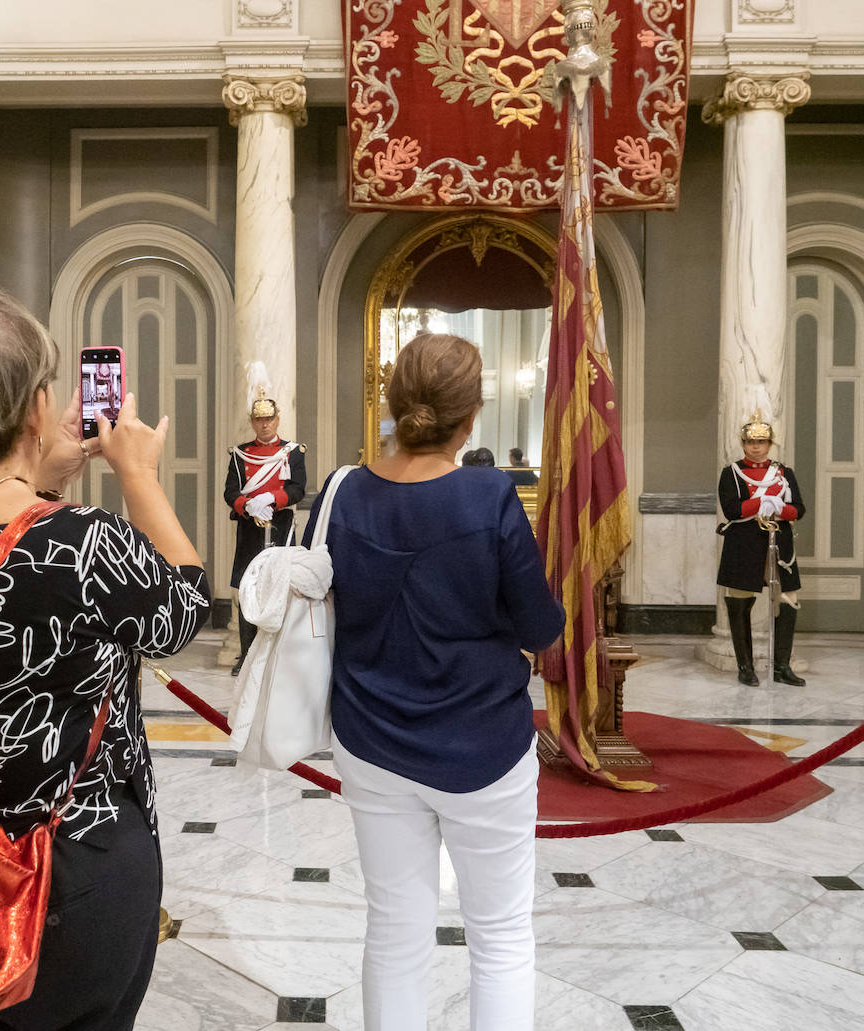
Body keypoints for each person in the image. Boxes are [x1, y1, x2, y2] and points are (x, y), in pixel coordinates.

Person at [0, 289, 210, 1031]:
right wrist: (136, 473)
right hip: (65, 867)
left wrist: (38, 482)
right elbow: (183, 609)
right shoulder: (81, 541)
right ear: (33, 408)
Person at [304, 333, 563, 1031]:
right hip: (484, 743)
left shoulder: (343, 492)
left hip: (372, 738)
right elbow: (540, 628)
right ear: (471, 416)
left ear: (393, 401)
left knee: (393, 931)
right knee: (501, 935)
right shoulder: (490, 495)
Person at [223, 366, 307, 676]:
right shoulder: (240, 454)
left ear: (277, 420)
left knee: (280, 591)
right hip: (250, 532)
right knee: (248, 592)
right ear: (252, 422)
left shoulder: (292, 452)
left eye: (269, 419)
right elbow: (230, 492)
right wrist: (248, 505)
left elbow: (297, 488)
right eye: (259, 419)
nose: (264, 424)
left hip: (281, 528)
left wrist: (273, 499)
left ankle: (279, 655)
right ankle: (246, 655)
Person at [716, 413, 807, 686]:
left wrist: (780, 507)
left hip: (779, 543)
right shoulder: (731, 472)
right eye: (751, 441)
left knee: (788, 600)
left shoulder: (784, 472)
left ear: (770, 444)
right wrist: (763, 501)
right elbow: (732, 510)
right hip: (743, 544)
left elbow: (798, 510)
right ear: (743, 444)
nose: (756, 447)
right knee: (740, 601)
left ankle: (781, 667)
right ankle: (745, 667)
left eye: (762, 441)